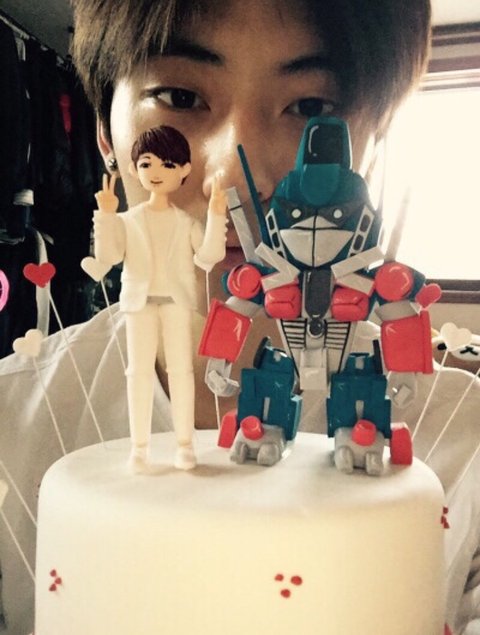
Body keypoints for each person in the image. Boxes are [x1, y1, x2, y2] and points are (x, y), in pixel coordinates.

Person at [0, 1, 478, 633]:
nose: (227, 171)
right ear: (103, 130)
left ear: (373, 138)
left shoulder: (466, 441)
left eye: (311, 106)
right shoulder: (10, 421)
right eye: (179, 97)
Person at [93, 125, 227, 472]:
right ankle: (140, 448)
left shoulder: (186, 222)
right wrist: (106, 216)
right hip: (139, 302)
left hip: (176, 302)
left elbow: (209, 255)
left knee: (180, 371)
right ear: (134, 167)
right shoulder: (128, 220)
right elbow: (109, 256)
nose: (156, 172)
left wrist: (216, 215)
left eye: (167, 165)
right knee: (138, 372)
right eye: (147, 163)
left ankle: (184, 445)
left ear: (183, 170)